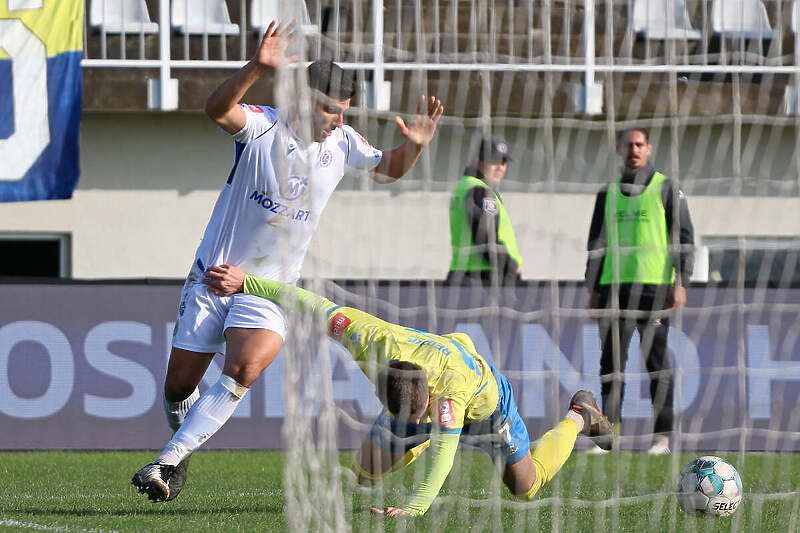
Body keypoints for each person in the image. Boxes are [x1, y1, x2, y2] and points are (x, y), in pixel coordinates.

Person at [131, 21, 444, 503]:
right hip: (214, 277)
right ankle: (183, 447)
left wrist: (415, 148)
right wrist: (257, 67)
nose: (336, 120)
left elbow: (387, 170)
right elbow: (216, 109)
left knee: (243, 370)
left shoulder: (343, 143)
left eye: (342, 112)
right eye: (328, 110)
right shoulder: (263, 126)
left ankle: (167, 461)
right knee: (177, 388)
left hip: (268, 287)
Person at [199, 263, 614, 516]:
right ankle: (402, 443)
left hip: (487, 405)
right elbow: (309, 303)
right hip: (437, 363)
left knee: (525, 487)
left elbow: (442, 459)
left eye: (417, 420)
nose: (416, 424)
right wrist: (246, 283)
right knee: (364, 475)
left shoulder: (448, 400)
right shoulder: (369, 339)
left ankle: (579, 415)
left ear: (429, 405)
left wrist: (414, 509)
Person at [585, 127, 695, 455]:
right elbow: (595, 243)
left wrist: (681, 281)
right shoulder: (607, 193)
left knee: (656, 363)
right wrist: (592, 286)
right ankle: (608, 436)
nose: (633, 149)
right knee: (611, 364)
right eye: (628, 144)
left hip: (655, 289)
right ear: (619, 149)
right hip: (613, 289)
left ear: (649, 148)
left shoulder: (667, 189)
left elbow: (685, 238)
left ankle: (662, 437)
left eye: (639, 144)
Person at [447, 136, 523, 285]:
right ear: (479, 160)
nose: (500, 167)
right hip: (482, 278)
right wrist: (511, 267)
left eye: (503, 162)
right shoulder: (479, 191)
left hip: (465, 275)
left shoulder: (466, 185)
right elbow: (486, 239)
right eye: (494, 161)